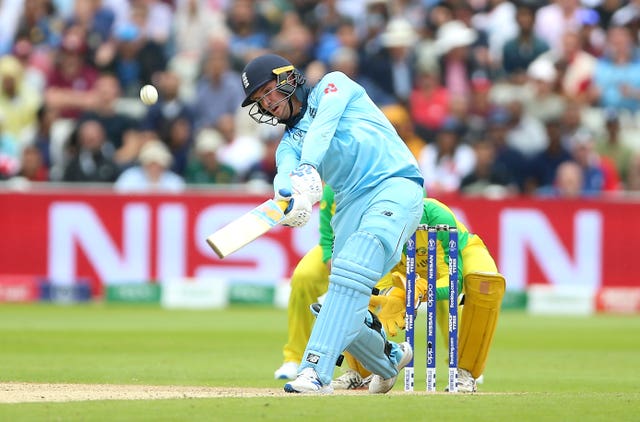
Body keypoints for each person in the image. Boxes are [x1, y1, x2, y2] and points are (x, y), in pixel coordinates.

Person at [240, 53, 424, 394]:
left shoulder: (334, 85)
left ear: (287, 79)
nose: (267, 103)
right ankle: (390, 357)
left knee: (351, 272)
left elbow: (322, 128)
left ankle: (314, 372)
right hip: (349, 205)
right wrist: (290, 198)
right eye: (260, 100)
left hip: (394, 184)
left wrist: (309, 167)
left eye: (268, 91)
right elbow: (284, 175)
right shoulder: (288, 144)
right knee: (340, 297)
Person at [275, 185, 506, 393]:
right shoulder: (378, 228)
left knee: (485, 284)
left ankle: (465, 373)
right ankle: (362, 371)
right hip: (404, 262)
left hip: (452, 255)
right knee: (359, 294)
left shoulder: (436, 215)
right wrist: (391, 299)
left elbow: (453, 283)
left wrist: (421, 291)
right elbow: (379, 290)